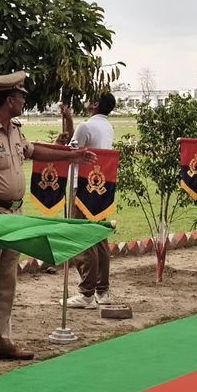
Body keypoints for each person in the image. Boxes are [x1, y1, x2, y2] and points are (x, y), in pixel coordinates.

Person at [0, 72, 96, 370]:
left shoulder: (14, 130)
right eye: (21, 96)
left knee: (7, 280)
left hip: (15, 216)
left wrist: (71, 156)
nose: (24, 100)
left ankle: (0, 340)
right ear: (9, 100)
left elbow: (35, 151)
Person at [59, 93, 117, 309]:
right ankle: (102, 290)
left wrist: (61, 138)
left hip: (82, 188)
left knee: (81, 236)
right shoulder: (106, 126)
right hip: (100, 188)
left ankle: (86, 293)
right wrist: (69, 120)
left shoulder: (86, 126)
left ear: (95, 104)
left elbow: (71, 153)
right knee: (99, 237)